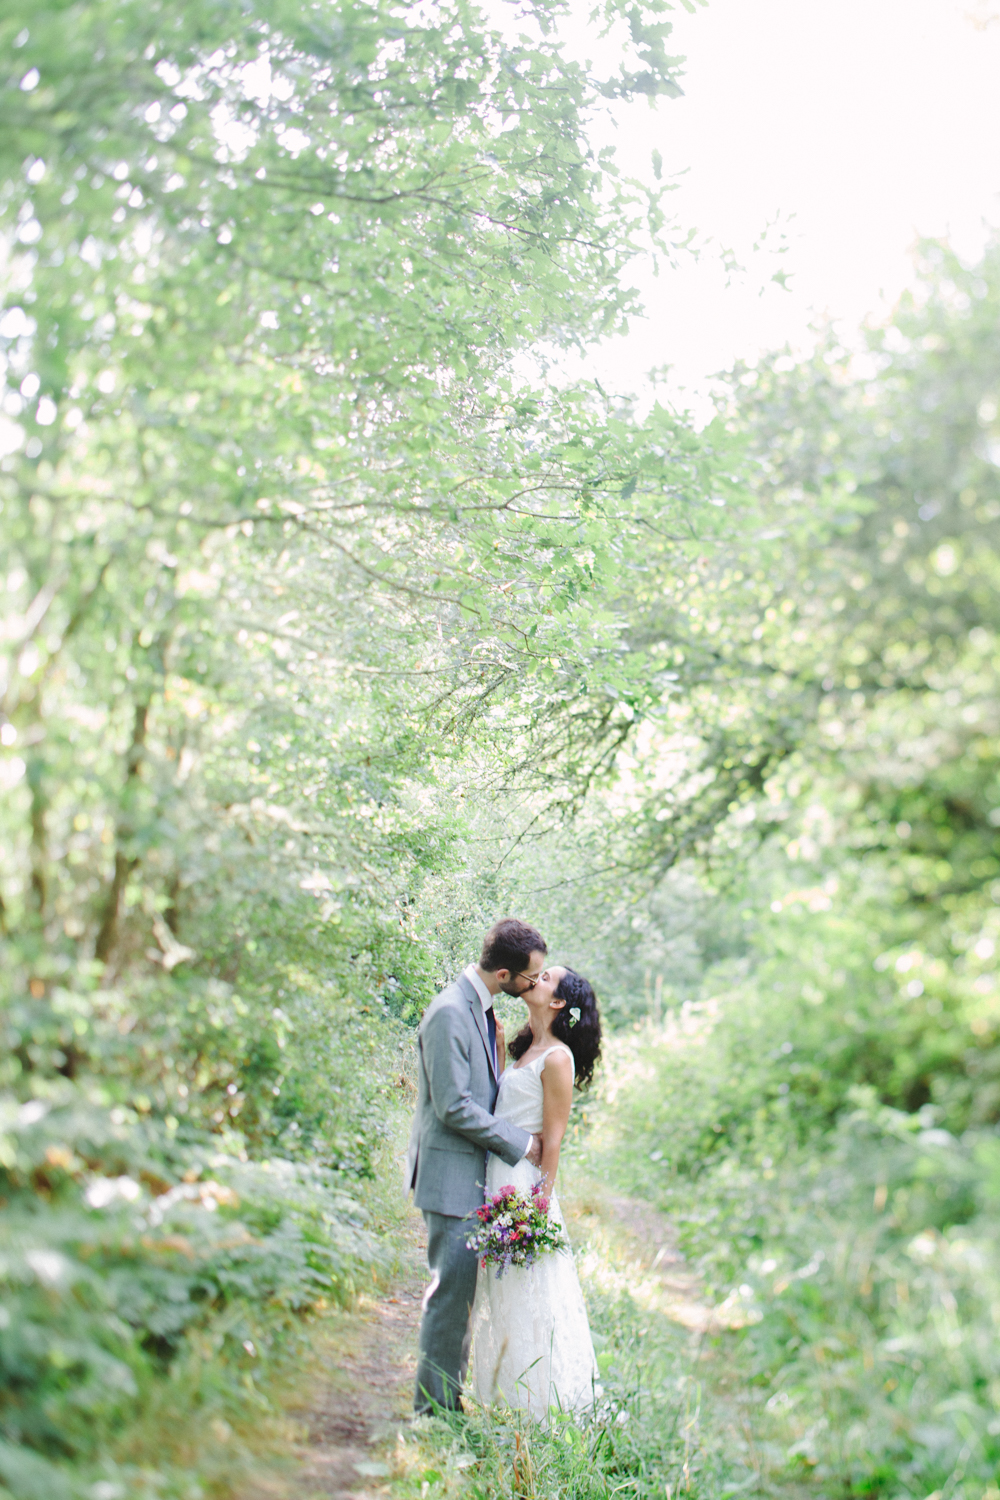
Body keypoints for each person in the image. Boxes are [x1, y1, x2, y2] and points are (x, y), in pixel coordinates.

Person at [406, 918, 548, 1414]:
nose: (533, 986)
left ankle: (448, 1400)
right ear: (505, 973)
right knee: (450, 1297)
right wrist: (523, 1143)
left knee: (463, 1295)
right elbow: (454, 1106)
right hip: (448, 1175)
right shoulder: (449, 1011)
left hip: (471, 1174)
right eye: (531, 978)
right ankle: (432, 1410)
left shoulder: (482, 1011)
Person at [470, 965, 602, 1417]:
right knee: (500, 1289)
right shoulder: (528, 1048)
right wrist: (501, 1058)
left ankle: (541, 1404)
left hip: (523, 1189)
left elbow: (553, 1139)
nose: (535, 978)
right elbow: (502, 1108)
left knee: (529, 1288)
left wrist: (539, 1208)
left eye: (545, 977)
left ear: (559, 1001)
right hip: (496, 1175)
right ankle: (500, 1393)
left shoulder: (558, 1058)